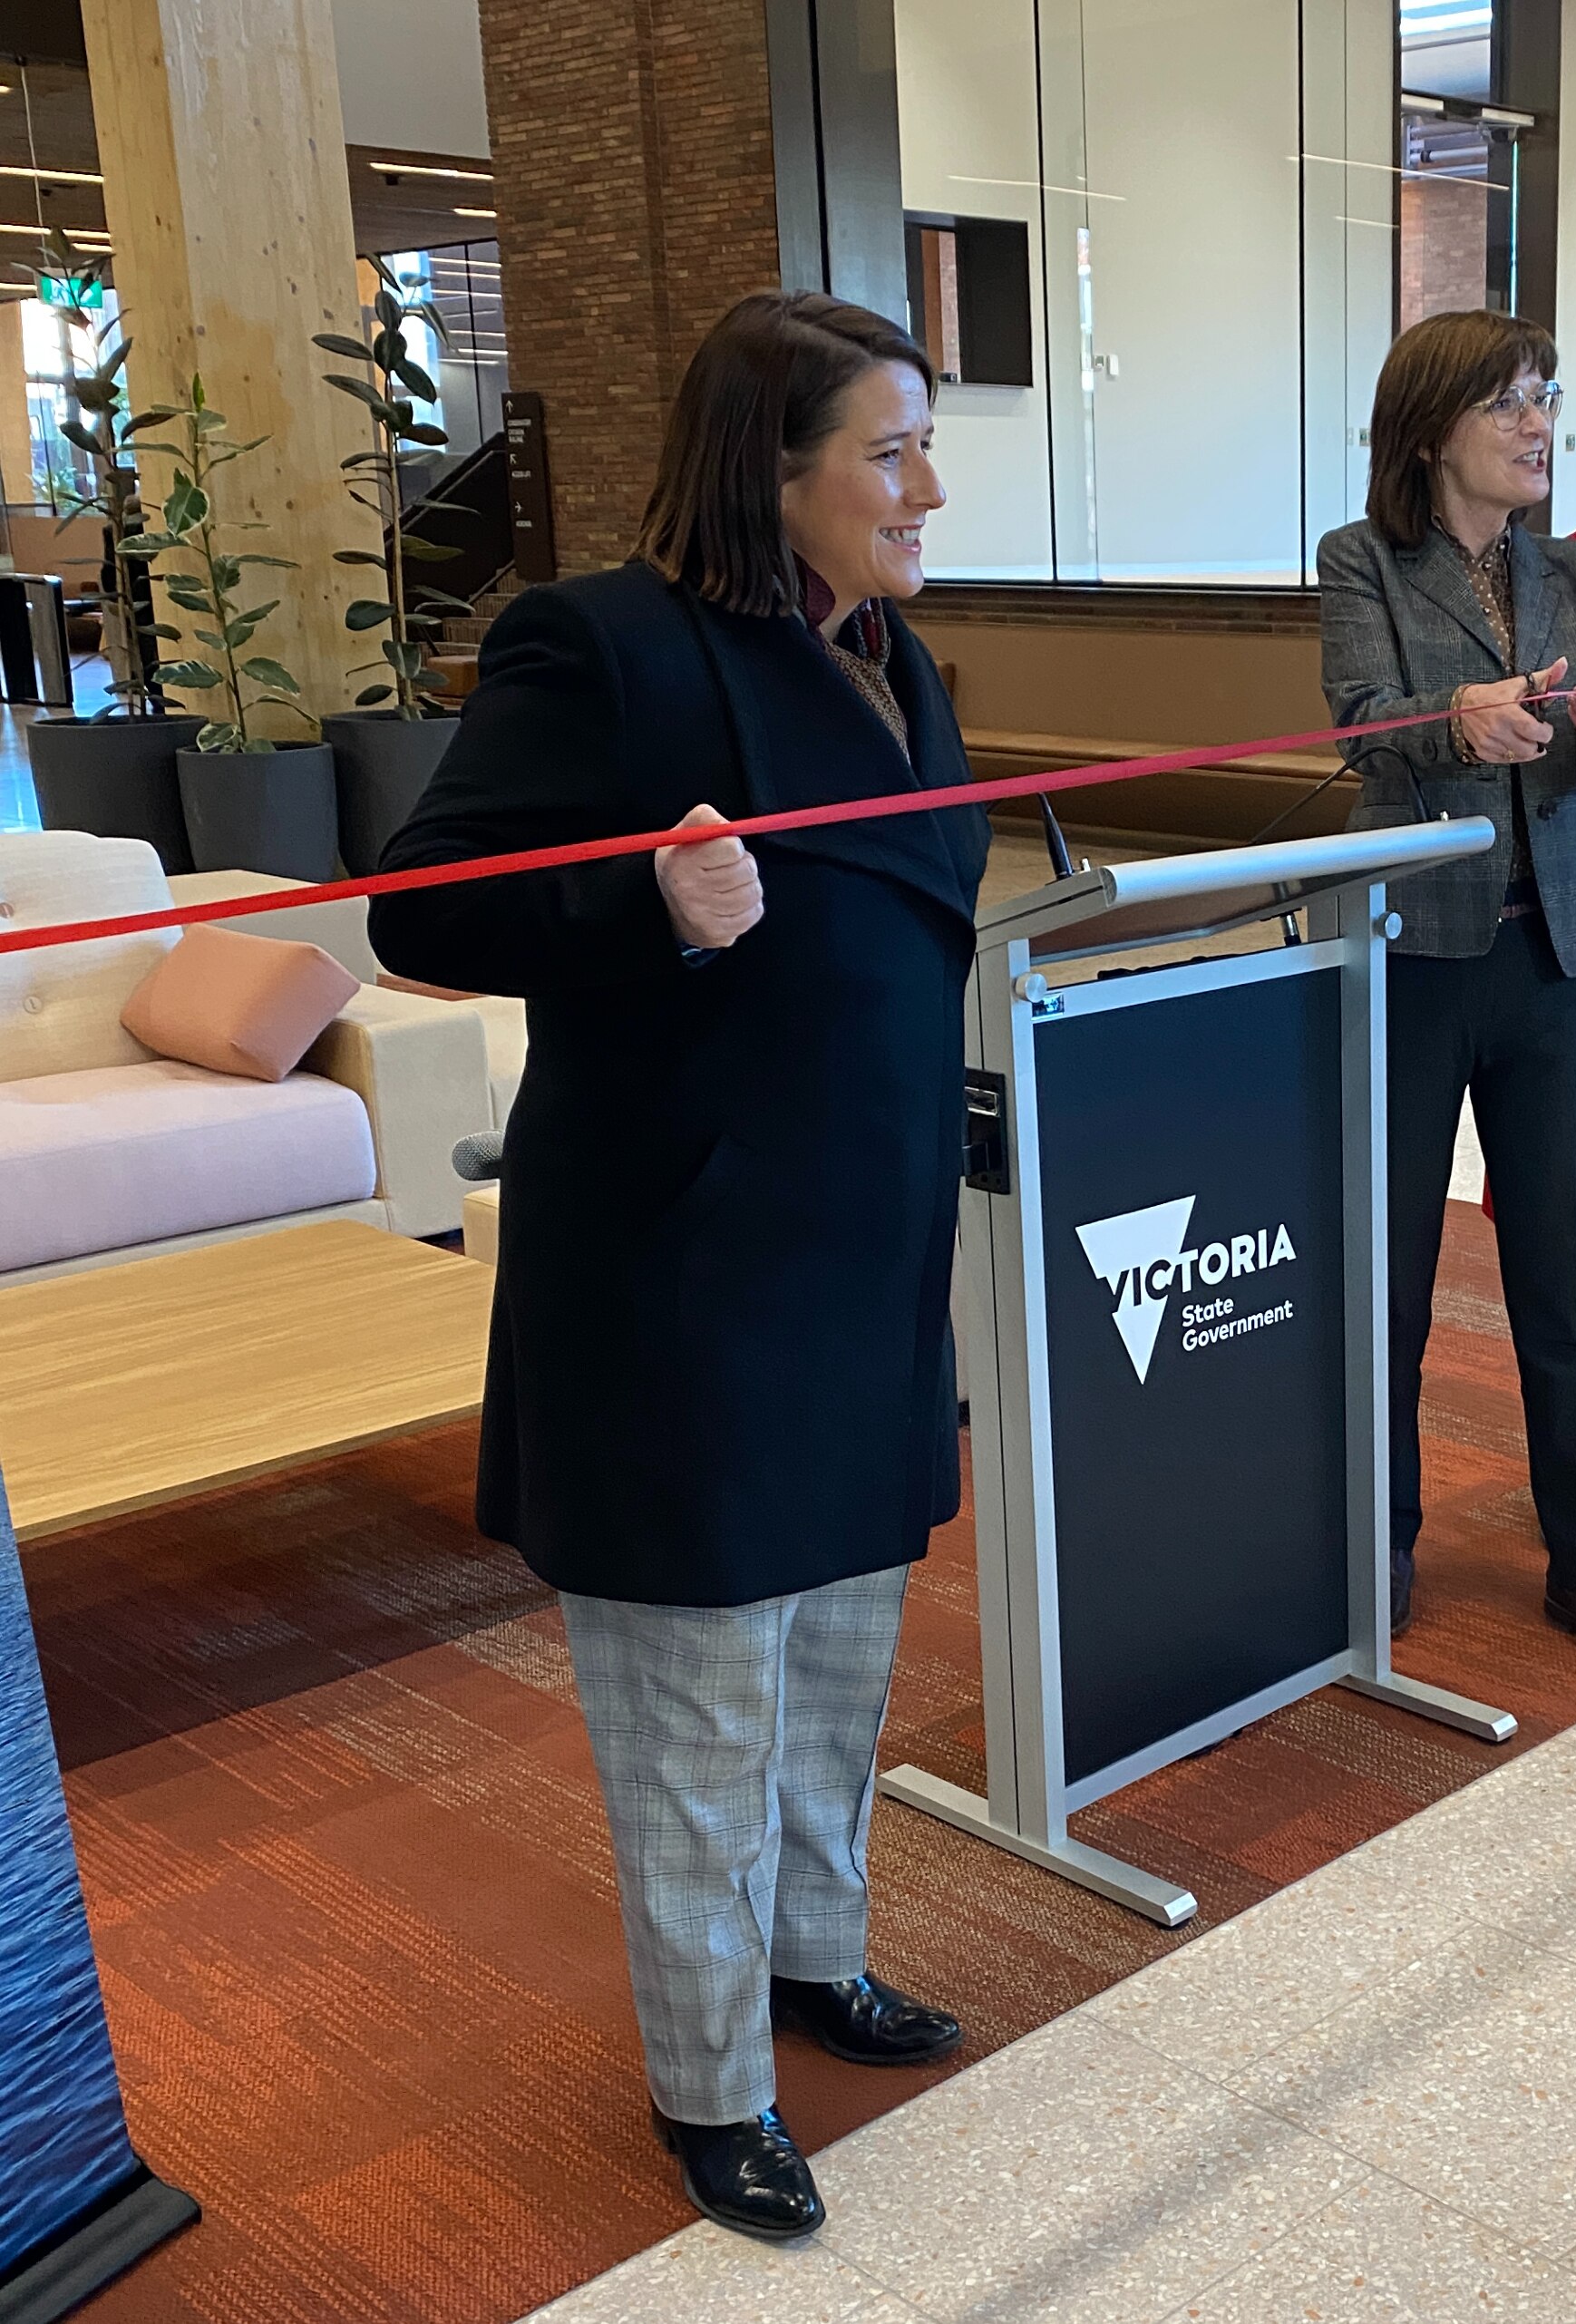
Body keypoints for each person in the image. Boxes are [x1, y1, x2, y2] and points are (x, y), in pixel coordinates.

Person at [369, 292, 987, 2241]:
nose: (927, 488)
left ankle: (818, 1956)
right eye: (889, 451)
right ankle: (713, 2084)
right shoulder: (603, 644)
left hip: (863, 1255)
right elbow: (419, 907)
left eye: (924, 445)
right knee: (704, 1710)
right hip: (685, 1278)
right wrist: (641, 901)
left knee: (839, 1668)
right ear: (771, 469)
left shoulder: (892, 655)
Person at [1317, 308, 1576, 1679]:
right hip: (1413, 953)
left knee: (1563, 1284)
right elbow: (1361, 723)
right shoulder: (1363, 559)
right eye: (1510, 401)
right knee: (1390, 1281)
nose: (1539, 425)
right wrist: (1452, 719)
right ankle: (1382, 1542)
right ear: (1430, 430)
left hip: (1559, 958)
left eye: (1546, 397)